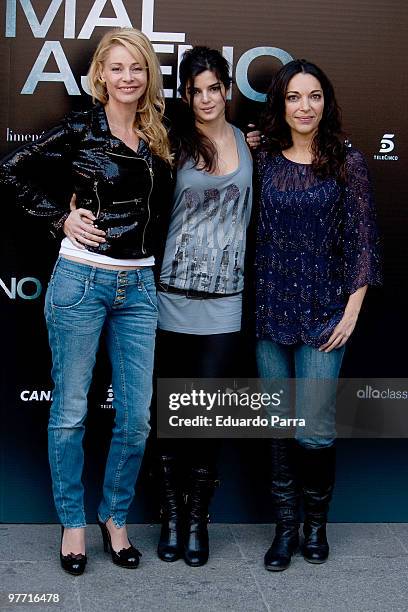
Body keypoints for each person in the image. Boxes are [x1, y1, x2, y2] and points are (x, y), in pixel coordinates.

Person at [0, 28, 173, 574]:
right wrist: (60, 217)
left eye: (137, 68)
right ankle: (73, 523)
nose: (127, 77)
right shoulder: (80, 128)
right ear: (100, 74)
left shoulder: (159, 137)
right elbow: (10, 171)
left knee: (136, 418)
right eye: (117, 67)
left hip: (140, 287)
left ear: (149, 76)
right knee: (72, 412)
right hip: (79, 281)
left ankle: (113, 518)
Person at [255, 59, 381, 571]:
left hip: (325, 314)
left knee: (314, 431)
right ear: (280, 105)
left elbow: (364, 241)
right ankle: (284, 530)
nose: (304, 107)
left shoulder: (346, 161)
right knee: (277, 427)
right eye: (293, 97)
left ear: (326, 103)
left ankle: (314, 526)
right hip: (268, 311)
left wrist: (351, 311)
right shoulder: (261, 158)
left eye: (313, 97)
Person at [153, 46, 253, 567]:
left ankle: (197, 520)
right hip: (170, 297)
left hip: (225, 302)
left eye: (215, 88)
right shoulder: (171, 144)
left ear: (226, 90)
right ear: (185, 95)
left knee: (208, 416)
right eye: (197, 90)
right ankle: (170, 514)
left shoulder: (246, 142)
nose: (207, 98)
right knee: (171, 414)